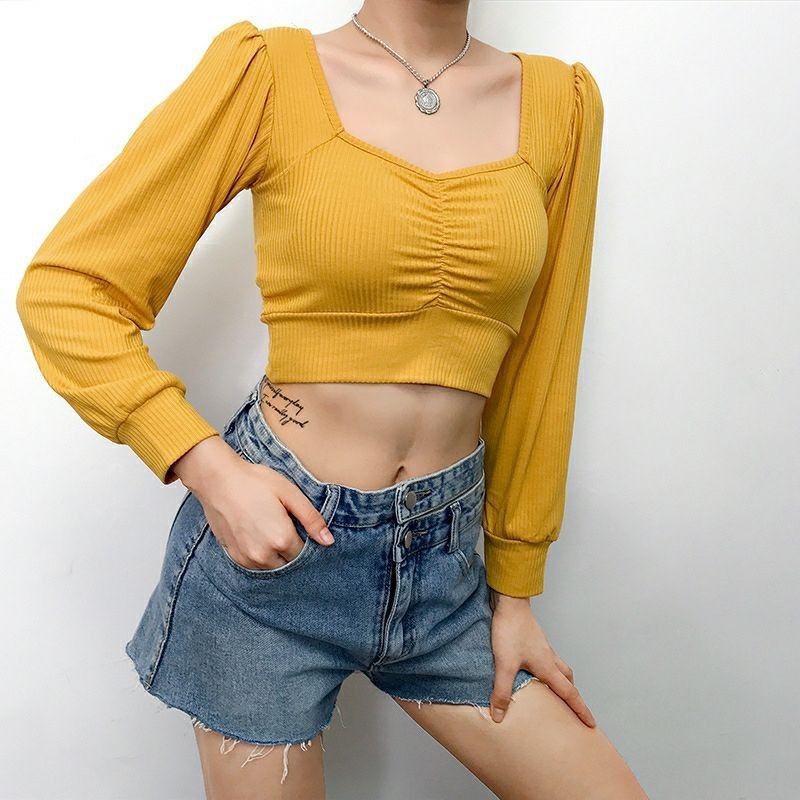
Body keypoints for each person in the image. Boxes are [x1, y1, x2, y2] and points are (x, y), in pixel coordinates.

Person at [16, 3, 648, 798]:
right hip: (270, 564)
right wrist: (208, 468)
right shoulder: (270, 75)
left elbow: (544, 359)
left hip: (447, 569)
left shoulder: (562, 104)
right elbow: (68, 290)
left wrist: (514, 590)